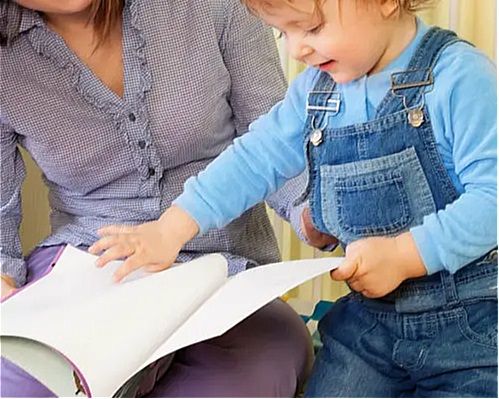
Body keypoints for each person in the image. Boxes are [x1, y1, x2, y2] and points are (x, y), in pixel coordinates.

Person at [90, 0, 498, 397]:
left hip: (472, 332)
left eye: (313, 28)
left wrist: (406, 254)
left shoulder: (459, 77)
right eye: (284, 31)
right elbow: (252, 161)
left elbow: (492, 199)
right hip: (369, 331)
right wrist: (171, 228)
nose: (296, 49)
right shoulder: (314, 95)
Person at [0, 0, 319, 396]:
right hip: (89, 270)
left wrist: (320, 215)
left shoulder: (214, 7)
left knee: (256, 372)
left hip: (224, 272)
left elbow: (276, 145)